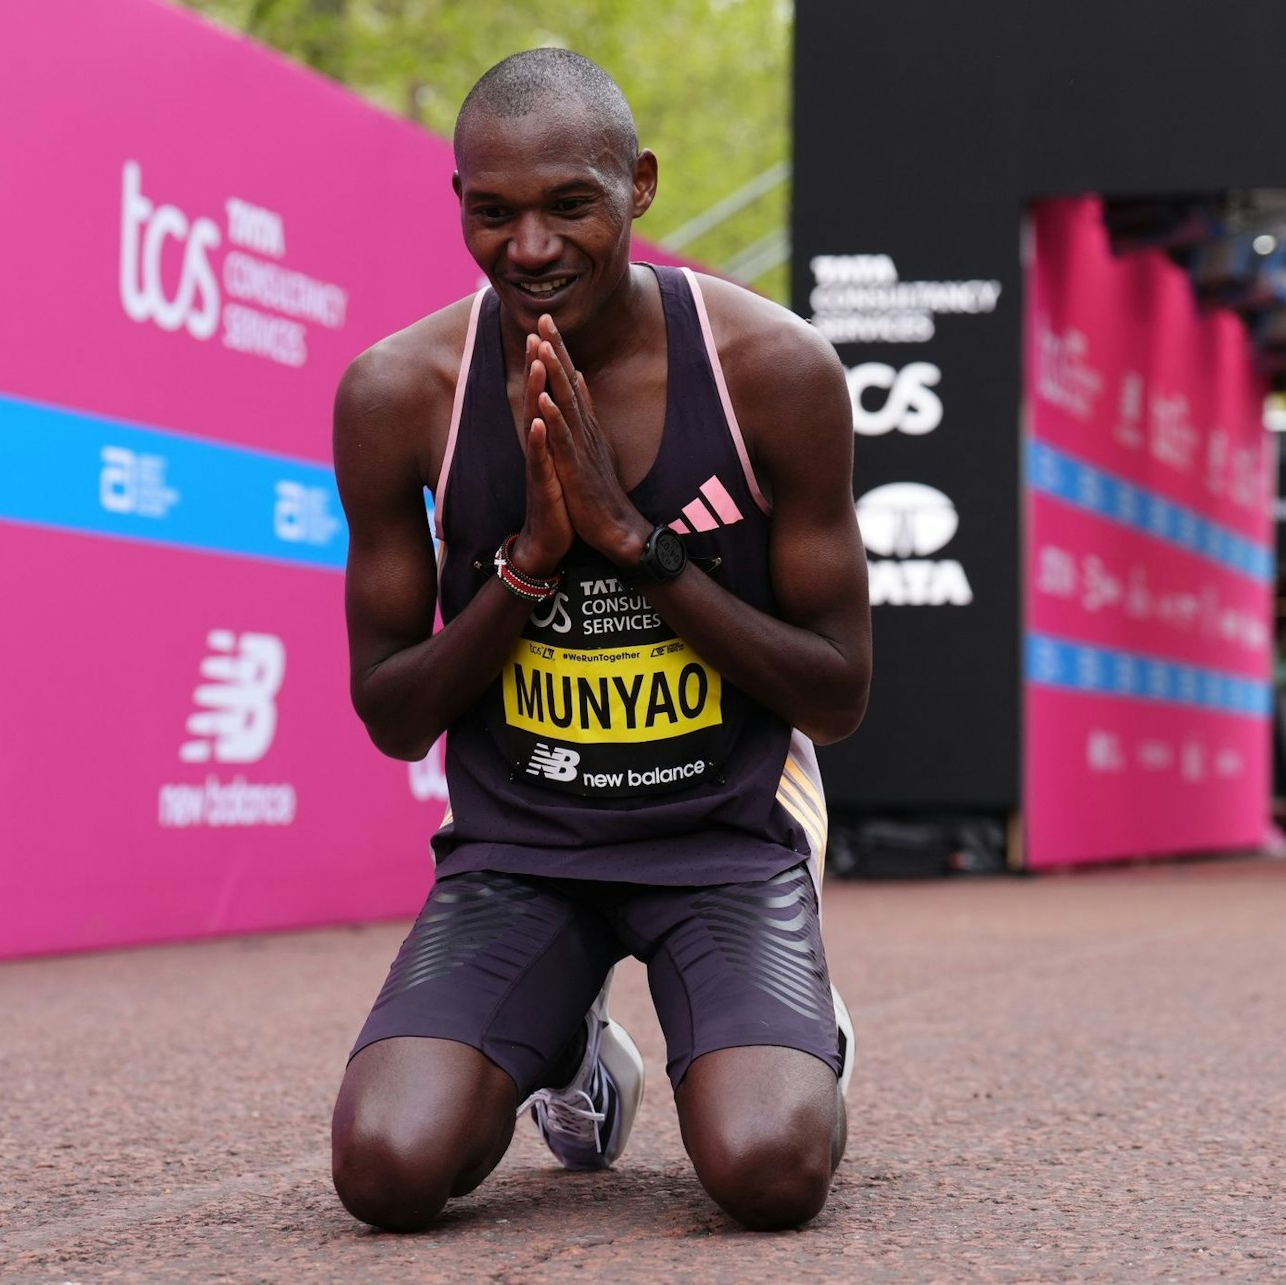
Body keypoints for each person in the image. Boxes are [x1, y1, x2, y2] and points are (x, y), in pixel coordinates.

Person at [328, 47, 870, 1233]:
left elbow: (834, 697)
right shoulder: (397, 391)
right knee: (386, 1170)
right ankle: (563, 1042)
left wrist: (635, 543)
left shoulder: (771, 373)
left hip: (721, 834)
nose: (529, 247)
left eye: (569, 202)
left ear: (640, 186)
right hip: (517, 848)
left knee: (768, 1170)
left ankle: (797, 1022)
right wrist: (527, 560)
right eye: (493, 211)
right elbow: (393, 713)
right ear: (460, 202)